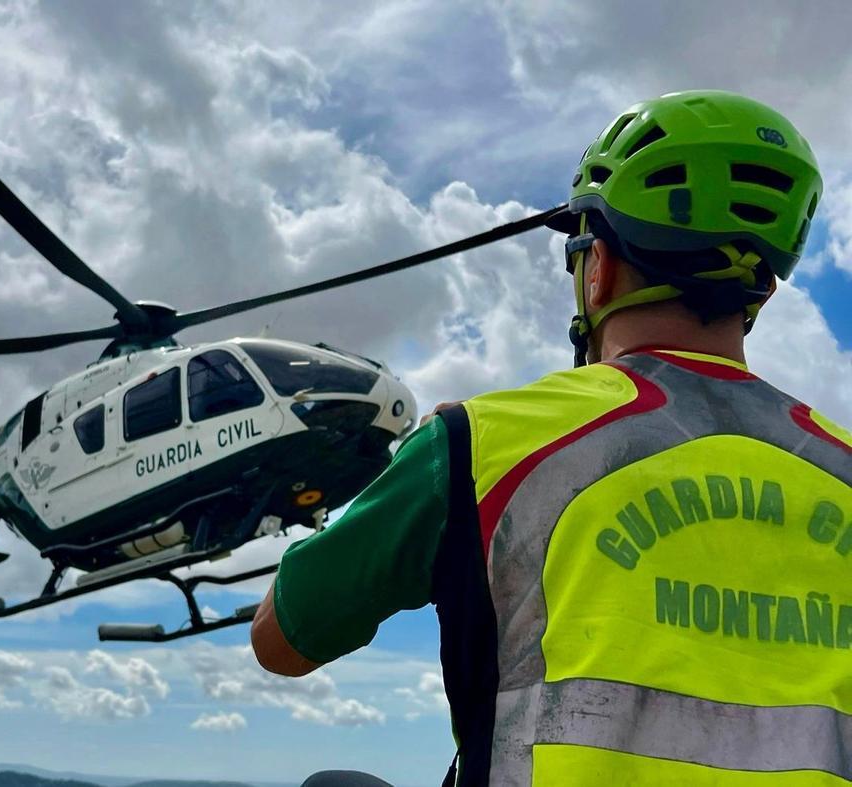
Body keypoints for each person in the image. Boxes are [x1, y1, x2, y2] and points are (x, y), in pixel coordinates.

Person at [251, 90, 852, 786]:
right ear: (764, 293)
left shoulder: (479, 441)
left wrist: (427, 491)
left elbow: (282, 640)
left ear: (597, 268)